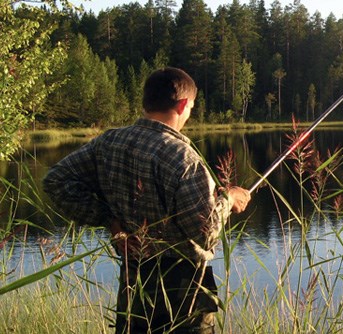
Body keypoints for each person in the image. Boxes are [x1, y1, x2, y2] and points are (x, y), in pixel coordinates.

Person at [43, 67, 251, 333]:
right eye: (192, 107)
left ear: (147, 101)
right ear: (183, 104)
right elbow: (204, 233)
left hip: (134, 281)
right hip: (184, 289)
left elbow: (55, 181)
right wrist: (228, 199)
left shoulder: (108, 142)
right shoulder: (184, 158)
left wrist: (109, 219)